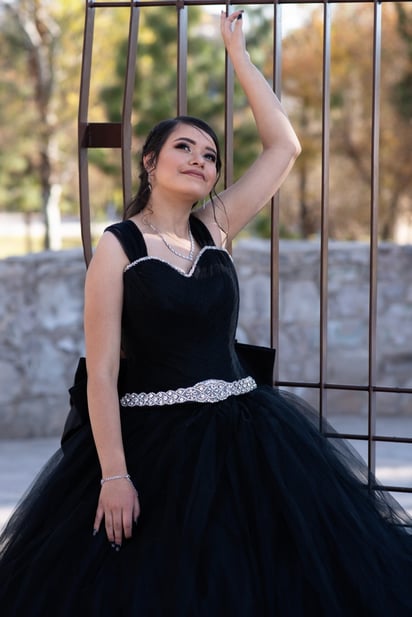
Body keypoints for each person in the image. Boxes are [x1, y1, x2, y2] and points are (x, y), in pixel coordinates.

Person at [1, 10, 412, 616]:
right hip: (155, 448)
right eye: (184, 147)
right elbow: (102, 374)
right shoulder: (119, 248)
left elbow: (285, 146)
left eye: (211, 155)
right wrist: (114, 476)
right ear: (149, 162)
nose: (200, 159)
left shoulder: (214, 227)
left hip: (247, 434)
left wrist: (237, 55)